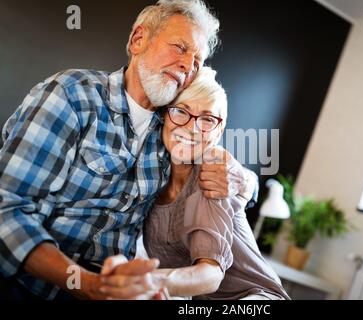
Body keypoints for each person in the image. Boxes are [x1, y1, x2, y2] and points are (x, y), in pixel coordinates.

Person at [0, 0, 257, 300]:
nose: (188, 65)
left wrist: (244, 180)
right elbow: (7, 208)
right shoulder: (72, 95)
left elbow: (222, 168)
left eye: (198, 61)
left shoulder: (174, 129)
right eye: (180, 47)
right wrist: (86, 284)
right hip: (25, 282)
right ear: (138, 40)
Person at [99, 67, 290, 300]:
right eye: (181, 111)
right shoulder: (150, 177)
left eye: (208, 119)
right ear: (164, 116)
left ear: (219, 130)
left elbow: (210, 275)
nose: (192, 128)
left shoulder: (213, 173)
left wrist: (150, 282)